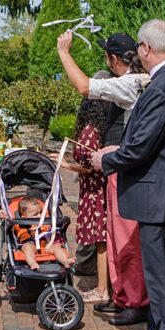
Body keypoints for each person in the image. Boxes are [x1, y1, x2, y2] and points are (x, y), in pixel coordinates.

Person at [92, 19, 165, 330]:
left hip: (162, 198)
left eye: (138, 48)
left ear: (146, 49)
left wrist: (106, 159)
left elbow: (140, 149)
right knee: (157, 279)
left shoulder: (164, 86)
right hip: (162, 195)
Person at [57, 31, 152, 326]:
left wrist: (64, 52)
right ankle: (121, 296)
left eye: (106, 55)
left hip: (126, 173)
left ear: (113, 58)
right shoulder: (137, 81)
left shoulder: (132, 83)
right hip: (119, 170)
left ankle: (133, 301)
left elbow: (84, 87)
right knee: (115, 237)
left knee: (126, 240)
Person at [61, 84, 113, 304]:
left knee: (101, 241)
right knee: (102, 240)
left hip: (95, 191)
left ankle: (102, 290)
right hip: (95, 189)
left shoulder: (90, 131)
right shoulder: (99, 129)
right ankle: (104, 286)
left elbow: (91, 167)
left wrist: (65, 165)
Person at [11, 195, 75, 271]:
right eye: (35, 214)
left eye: (41, 212)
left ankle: (65, 261)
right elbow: (10, 223)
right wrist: (5, 216)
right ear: (24, 217)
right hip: (30, 244)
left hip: (46, 246)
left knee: (57, 247)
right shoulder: (19, 224)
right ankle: (32, 263)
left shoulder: (45, 222)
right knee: (27, 248)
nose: (40, 216)